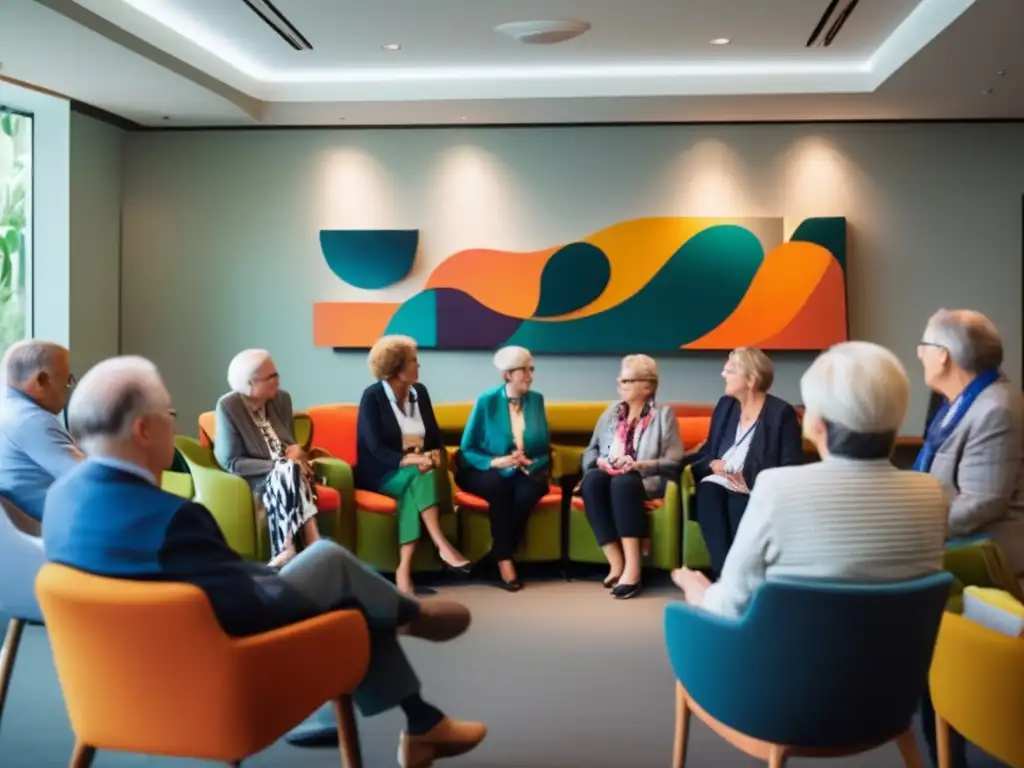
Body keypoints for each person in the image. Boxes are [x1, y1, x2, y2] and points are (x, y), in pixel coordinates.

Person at [42, 356, 487, 767]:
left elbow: (209, 581)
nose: (171, 427)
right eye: (170, 417)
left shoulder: (61, 500)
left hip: (112, 683)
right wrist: (304, 585)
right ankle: (405, 619)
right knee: (339, 580)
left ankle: (423, 718)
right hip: (221, 673)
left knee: (337, 577)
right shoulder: (173, 520)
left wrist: (256, 570)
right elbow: (248, 605)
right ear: (143, 430)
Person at [671, 341, 948, 618]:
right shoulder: (932, 494)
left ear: (815, 425)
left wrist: (699, 590)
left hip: (796, 653)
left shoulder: (777, 489)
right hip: (903, 656)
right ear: (898, 422)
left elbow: (731, 607)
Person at [915, 309, 1024, 584]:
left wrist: (913, 528)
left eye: (924, 346)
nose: (919, 354)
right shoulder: (963, 401)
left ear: (943, 356)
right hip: (961, 549)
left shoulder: (996, 408)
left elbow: (982, 502)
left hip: (987, 564)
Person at [356, 335, 470, 595]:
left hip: (419, 468)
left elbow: (433, 435)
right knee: (420, 475)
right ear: (397, 368)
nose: (418, 366)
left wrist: (434, 454)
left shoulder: (420, 392)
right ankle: (442, 544)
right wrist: (409, 459)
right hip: (383, 472)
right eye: (413, 361)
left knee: (421, 478)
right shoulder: (372, 397)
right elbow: (374, 447)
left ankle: (403, 568)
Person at [688, 347, 803, 578]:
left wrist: (749, 479)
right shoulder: (725, 406)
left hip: (756, 488)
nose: (723, 374)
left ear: (750, 379)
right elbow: (708, 452)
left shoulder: (781, 413)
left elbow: (791, 466)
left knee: (735, 502)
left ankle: (735, 580)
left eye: (730, 370)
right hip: (718, 482)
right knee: (708, 491)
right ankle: (726, 577)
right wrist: (713, 465)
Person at [579, 354, 683, 599]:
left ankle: (633, 569)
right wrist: (600, 461)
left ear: (647, 386)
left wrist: (639, 465)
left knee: (624, 481)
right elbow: (590, 451)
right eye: (620, 380)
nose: (619, 385)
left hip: (643, 482)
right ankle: (616, 562)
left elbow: (675, 460)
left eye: (626, 381)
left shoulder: (664, 416)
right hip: (608, 476)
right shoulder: (610, 413)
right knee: (593, 479)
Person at [455, 346, 551, 591]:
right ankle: (505, 562)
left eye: (532, 369)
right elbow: (467, 448)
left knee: (530, 491)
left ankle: (494, 556)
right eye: (524, 370)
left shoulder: (537, 400)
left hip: (523, 469)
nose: (530, 375)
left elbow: (543, 447)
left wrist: (527, 461)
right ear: (507, 375)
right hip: (483, 468)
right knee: (500, 488)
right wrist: (496, 462)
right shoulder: (486, 401)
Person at [214, 349, 321, 569]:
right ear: (249, 383)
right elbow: (232, 461)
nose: (277, 380)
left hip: (291, 473)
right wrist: (279, 464)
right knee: (286, 470)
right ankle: (312, 541)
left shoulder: (282, 399)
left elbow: (290, 443)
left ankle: (288, 548)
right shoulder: (228, 407)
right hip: (256, 476)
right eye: (270, 377)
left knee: (289, 470)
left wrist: (294, 453)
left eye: (276, 374)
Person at [0, 340, 82, 521]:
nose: (70, 388)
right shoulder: (32, 420)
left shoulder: (7, 409)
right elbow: (96, 481)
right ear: (41, 380)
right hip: (57, 537)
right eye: (68, 380)